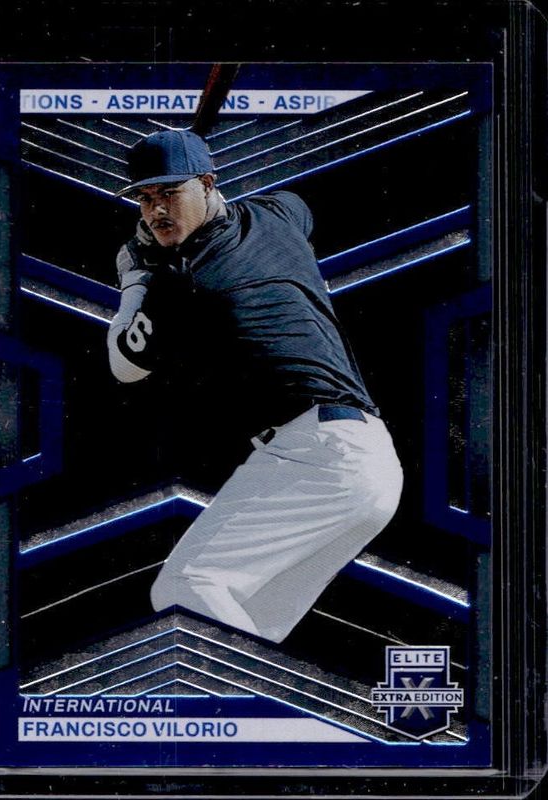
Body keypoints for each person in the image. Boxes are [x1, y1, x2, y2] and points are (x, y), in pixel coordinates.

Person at [107, 128, 403, 644]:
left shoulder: (184, 281)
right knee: (252, 637)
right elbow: (298, 208)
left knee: (186, 586)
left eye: (170, 193)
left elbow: (125, 366)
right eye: (146, 199)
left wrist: (134, 279)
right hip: (367, 463)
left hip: (316, 454)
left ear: (207, 183)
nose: (157, 211)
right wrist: (203, 205)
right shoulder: (277, 215)